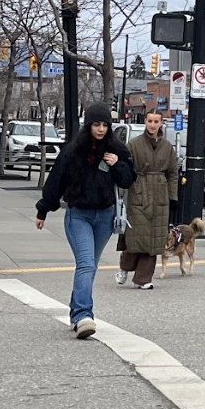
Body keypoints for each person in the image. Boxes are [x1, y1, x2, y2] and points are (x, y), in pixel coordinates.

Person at [34, 103, 136, 339]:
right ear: (88, 125)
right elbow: (55, 181)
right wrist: (43, 210)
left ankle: (75, 312)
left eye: (105, 125)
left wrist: (116, 164)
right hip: (78, 214)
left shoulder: (117, 149)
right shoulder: (73, 151)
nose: (100, 129)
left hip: (105, 214)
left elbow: (129, 179)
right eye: (96, 124)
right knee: (87, 264)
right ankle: (83, 316)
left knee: (90, 265)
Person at [115, 111, 178, 290]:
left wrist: (172, 196)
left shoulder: (167, 147)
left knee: (154, 239)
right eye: (150, 121)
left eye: (156, 121)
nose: (152, 125)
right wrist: (122, 192)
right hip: (138, 191)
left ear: (161, 123)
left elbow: (172, 172)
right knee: (136, 236)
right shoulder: (133, 145)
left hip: (160, 194)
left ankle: (143, 279)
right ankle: (125, 267)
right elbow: (125, 168)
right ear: (145, 122)